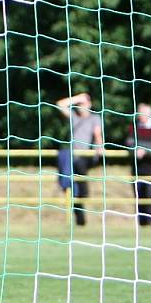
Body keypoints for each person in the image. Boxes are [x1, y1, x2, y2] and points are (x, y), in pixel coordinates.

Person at [56, 92, 103, 226]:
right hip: (72, 157)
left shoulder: (94, 118)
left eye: (84, 104)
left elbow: (97, 134)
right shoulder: (74, 117)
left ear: (89, 104)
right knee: (70, 187)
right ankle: (79, 218)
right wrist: (77, 98)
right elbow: (60, 104)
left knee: (81, 188)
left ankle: (83, 195)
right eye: (79, 105)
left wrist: (99, 146)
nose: (81, 107)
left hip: (84, 157)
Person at [124, 103, 151, 226]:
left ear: (149, 114)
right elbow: (129, 143)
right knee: (138, 194)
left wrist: (145, 151)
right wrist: (136, 150)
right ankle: (142, 223)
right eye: (139, 113)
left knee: (150, 194)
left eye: (142, 113)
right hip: (137, 166)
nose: (140, 116)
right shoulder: (134, 126)